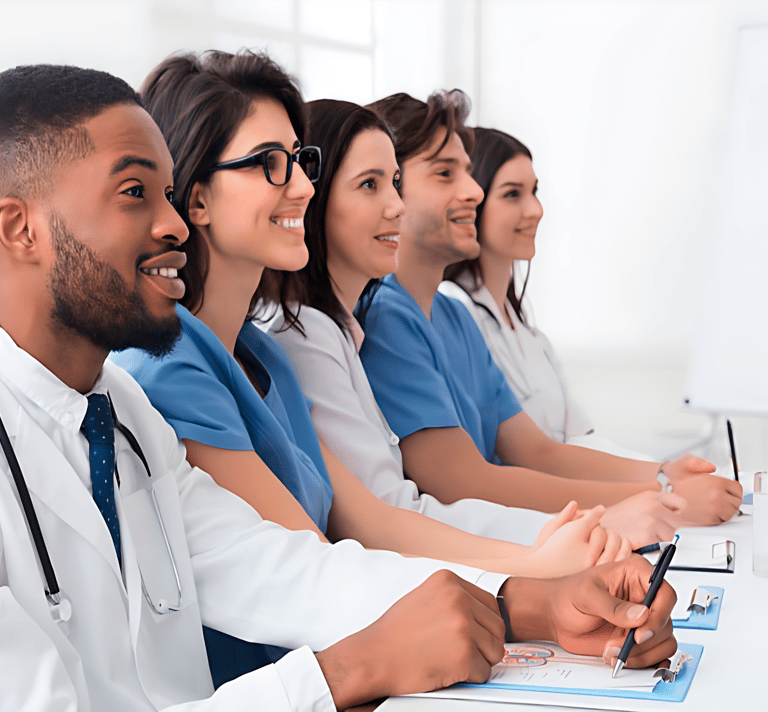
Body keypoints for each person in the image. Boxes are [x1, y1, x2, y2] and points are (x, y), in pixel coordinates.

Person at [0, 62, 678, 711]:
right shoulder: (154, 381)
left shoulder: (124, 414)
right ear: (17, 227)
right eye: (133, 193)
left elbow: (277, 567)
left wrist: (529, 603)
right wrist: (348, 671)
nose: (173, 223)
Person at [360, 90, 743, 543]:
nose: (473, 192)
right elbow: (465, 482)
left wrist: (662, 475)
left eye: (467, 171)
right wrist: (662, 494)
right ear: (389, 189)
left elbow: (537, 450)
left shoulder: (451, 318)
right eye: (446, 173)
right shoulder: (387, 319)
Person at [269, 98, 569, 544]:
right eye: (370, 185)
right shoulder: (313, 335)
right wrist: (561, 537)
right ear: (313, 199)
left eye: (393, 183)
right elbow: (393, 515)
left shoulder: (345, 330)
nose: (397, 205)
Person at [440, 127, 644, 457]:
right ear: (471, 203)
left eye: (534, 192)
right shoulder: (453, 311)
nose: (536, 209)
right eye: (512, 194)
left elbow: (581, 438)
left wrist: (668, 475)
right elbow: (524, 458)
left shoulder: (533, 338)